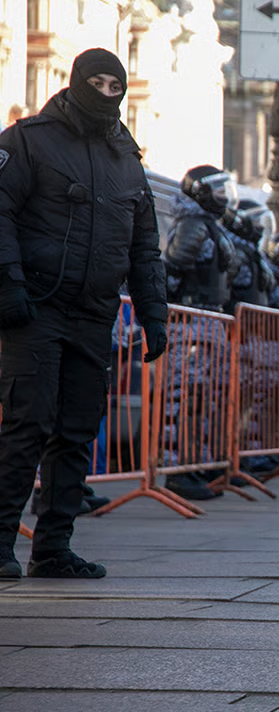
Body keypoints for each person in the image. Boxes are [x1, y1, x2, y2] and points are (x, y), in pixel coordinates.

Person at [0, 48, 168, 579]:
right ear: (76, 81)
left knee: (76, 432)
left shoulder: (127, 157)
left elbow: (145, 247)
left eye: (114, 86)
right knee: (27, 425)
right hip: (36, 309)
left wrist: (154, 315)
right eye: (96, 82)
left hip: (94, 315)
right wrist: (9, 288)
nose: (107, 93)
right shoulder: (28, 140)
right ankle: (2, 544)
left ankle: (52, 548)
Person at [161, 164, 239, 501]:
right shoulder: (193, 225)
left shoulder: (210, 225)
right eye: (218, 189)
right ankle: (176, 471)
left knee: (205, 400)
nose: (223, 196)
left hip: (210, 323)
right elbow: (172, 272)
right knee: (183, 398)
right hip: (191, 324)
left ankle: (197, 465)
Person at [221, 199, 276, 313]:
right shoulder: (236, 252)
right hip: (236, 323)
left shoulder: (255, 254)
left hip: (252, 324)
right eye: (256, 220)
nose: (260, 226)